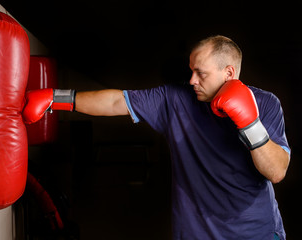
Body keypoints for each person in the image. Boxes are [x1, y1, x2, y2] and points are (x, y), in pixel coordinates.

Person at [22, 35, 290, 240]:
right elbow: (117, 101)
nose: (192, 80)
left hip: (256, 232)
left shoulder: (265, 104)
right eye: (191, 70)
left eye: (201, 73)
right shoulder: (175, 99)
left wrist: (249, 123)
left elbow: (276, 171)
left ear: (229, 73)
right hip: (195, 233)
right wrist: (55, 98)